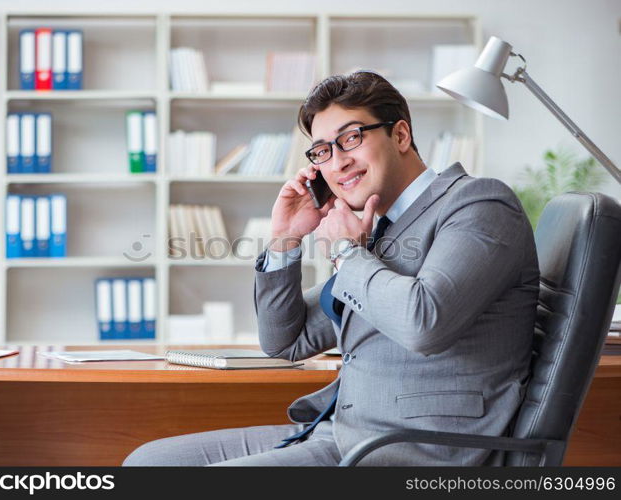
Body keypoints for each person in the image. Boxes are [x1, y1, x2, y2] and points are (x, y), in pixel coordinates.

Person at [122, 71, 539, 466]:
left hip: (414, 449)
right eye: (323, 151)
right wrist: (285, 239)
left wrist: (344, 250)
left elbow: (424, 323)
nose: (337, 163)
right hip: (342, 433)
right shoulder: (381, 231)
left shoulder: (479, 204)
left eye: (351, 138)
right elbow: (285, 341)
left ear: (400, 134)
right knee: (149, 463)